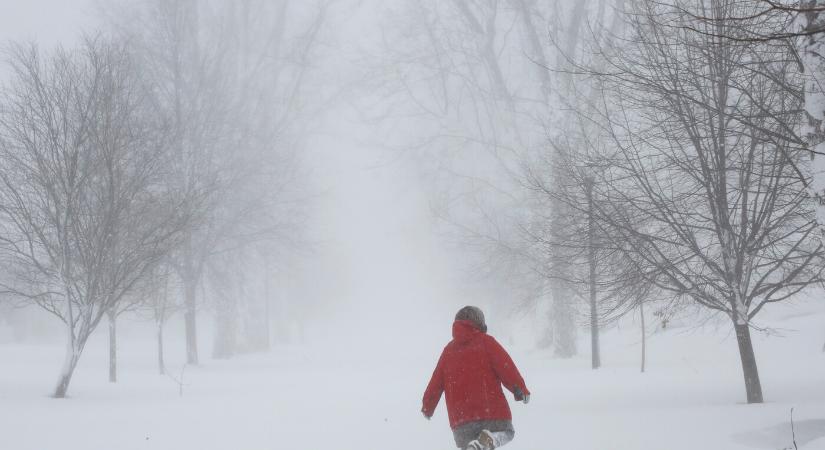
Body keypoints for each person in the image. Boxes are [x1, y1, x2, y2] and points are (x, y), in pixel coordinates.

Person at [421, 306, 530, 450]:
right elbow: (506, 367)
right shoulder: (486, 342)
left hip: (461, 422)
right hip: (491, 413)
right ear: (479, 323)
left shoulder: (448, 351)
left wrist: (427, 407)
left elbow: (435, 383)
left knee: (472, 447)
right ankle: (488, 440)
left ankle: (481, 444)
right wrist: (520, 389)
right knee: (506, 433)